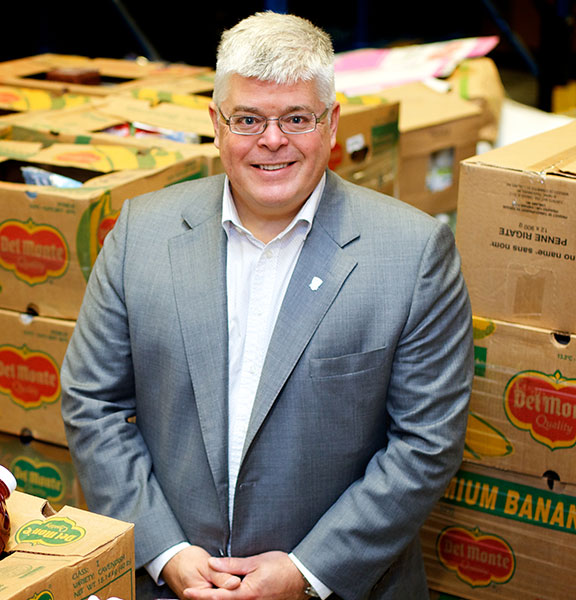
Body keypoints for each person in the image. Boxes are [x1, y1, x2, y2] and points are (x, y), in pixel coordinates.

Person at [61, 11, 473, 600]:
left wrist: (309, 573)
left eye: (296, 118)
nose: (271, 140)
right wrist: (164, 551)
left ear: (332, 125)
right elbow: (91, 401)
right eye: (248, 118)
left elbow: (426, 442)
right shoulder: (140, 235)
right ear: (216, 123)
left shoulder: (413, 255)